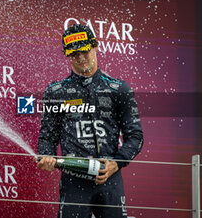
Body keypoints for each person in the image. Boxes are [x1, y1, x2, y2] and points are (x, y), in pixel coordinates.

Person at [36, 24, 143, 218]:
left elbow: (135, 137)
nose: (80, 58)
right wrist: (46, 156)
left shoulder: (119, 89)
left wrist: (116, 163)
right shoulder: (55, 92)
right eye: (74, 54)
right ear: (67, 55)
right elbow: (47, 137)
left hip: (110, 179)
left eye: (84, 51)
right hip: (74, 181)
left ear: (95, 46)